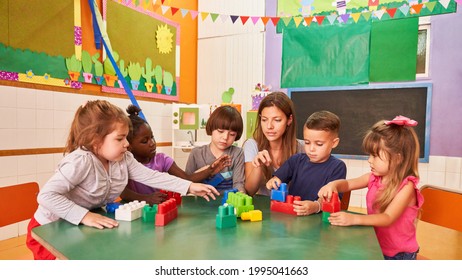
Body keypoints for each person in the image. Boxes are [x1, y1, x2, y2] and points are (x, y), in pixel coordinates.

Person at [26, 100, 219, 260]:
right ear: (95, 140)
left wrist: (189, 186)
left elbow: (150, 176)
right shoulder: (80, 161)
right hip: (49, 230)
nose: (127, 144)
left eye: (126, 138)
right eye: (120, 139)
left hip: (80, 227)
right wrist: (84, 216)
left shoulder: (123, 158)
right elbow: (46, 196)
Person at [318, 115, 424, 260]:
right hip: (376, 246)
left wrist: (353, 219)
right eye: (370, 155)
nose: (369, 160)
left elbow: (388, 218)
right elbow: (348, 184)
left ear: (398, 158)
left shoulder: (407, 187)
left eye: (375, 156)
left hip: (399, 255)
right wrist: (333, 184)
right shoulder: (373, 178)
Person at [121, 105, 231, 205]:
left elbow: (186, 178)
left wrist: (210, 170)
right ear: (128, 145)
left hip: (158, 208)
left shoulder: (162, 159)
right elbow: (123, 192)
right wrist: (146, 198)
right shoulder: (124, 163)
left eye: (152, 137)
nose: (152, 143)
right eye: (145, 141)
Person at [266, 111, 346, 216]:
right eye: (307, 142)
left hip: (318, 220)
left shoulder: (337, 167)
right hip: (291, 216)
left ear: (334, 143)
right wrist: (274, 181)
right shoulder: (296, 160)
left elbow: (332, 199)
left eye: (319, 144)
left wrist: (316, 206)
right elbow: (277, 179)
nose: (311, 149)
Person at [243, 92, 304, 196]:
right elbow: (249, 191)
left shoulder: (302, 148)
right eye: (264, 120)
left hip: (291, 209)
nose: (269, 126)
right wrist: (258, 166)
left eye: (277, 120)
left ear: (289, 120)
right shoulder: (252, 145)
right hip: (264, 209)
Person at [185, 105, 245, 193]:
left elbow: (239, 184)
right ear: (211, 128)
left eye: (232, 134)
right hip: (201, 202)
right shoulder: (196, 153)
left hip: (228, 203)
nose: (225, 137)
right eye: (220, 131)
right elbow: (186, 183)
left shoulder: (237, 153)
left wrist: (241, 198)